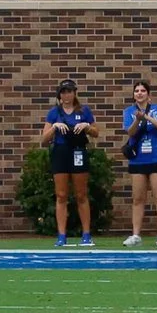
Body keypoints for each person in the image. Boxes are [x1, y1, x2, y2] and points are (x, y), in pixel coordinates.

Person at [112, 80, 157, 248]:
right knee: (138, 198)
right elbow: (130, 132)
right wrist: (137, 120)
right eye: (136, 91)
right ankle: (136, 234)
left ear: (148, 94)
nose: (139, 93)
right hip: (138, 158)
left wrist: (147, 117)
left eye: (143, 90)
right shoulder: (129, 111)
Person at [40, 78, 96, 246]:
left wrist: (86, 126)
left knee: (81, 194)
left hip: (78, 151)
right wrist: (55, 127)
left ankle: (86, 233)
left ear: (74, 93)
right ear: (59, 95)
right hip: (60, 152)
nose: (67, 95)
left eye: (70, 91)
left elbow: (96, 132)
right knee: (61, 195)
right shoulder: (54, 112)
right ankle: (61, 235)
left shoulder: (84, 111)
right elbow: (44, 139)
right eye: (63, 92)